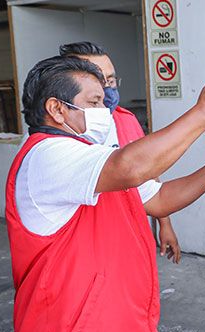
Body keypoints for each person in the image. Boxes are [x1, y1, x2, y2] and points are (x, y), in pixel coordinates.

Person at [6, 55, 205, 332]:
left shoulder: (92, 159)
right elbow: (133, 167)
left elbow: (161, 198)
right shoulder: (46, 156)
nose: (105, 109)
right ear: (57, 108)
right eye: (93, 102)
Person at [59, 41, 181, 263]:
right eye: (97, 81)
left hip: (133, 240)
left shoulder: (126, 119)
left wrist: (165, 224)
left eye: (111, 81)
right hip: (88, 254)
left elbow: (150, 172)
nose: (106, 90)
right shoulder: (60, 140)